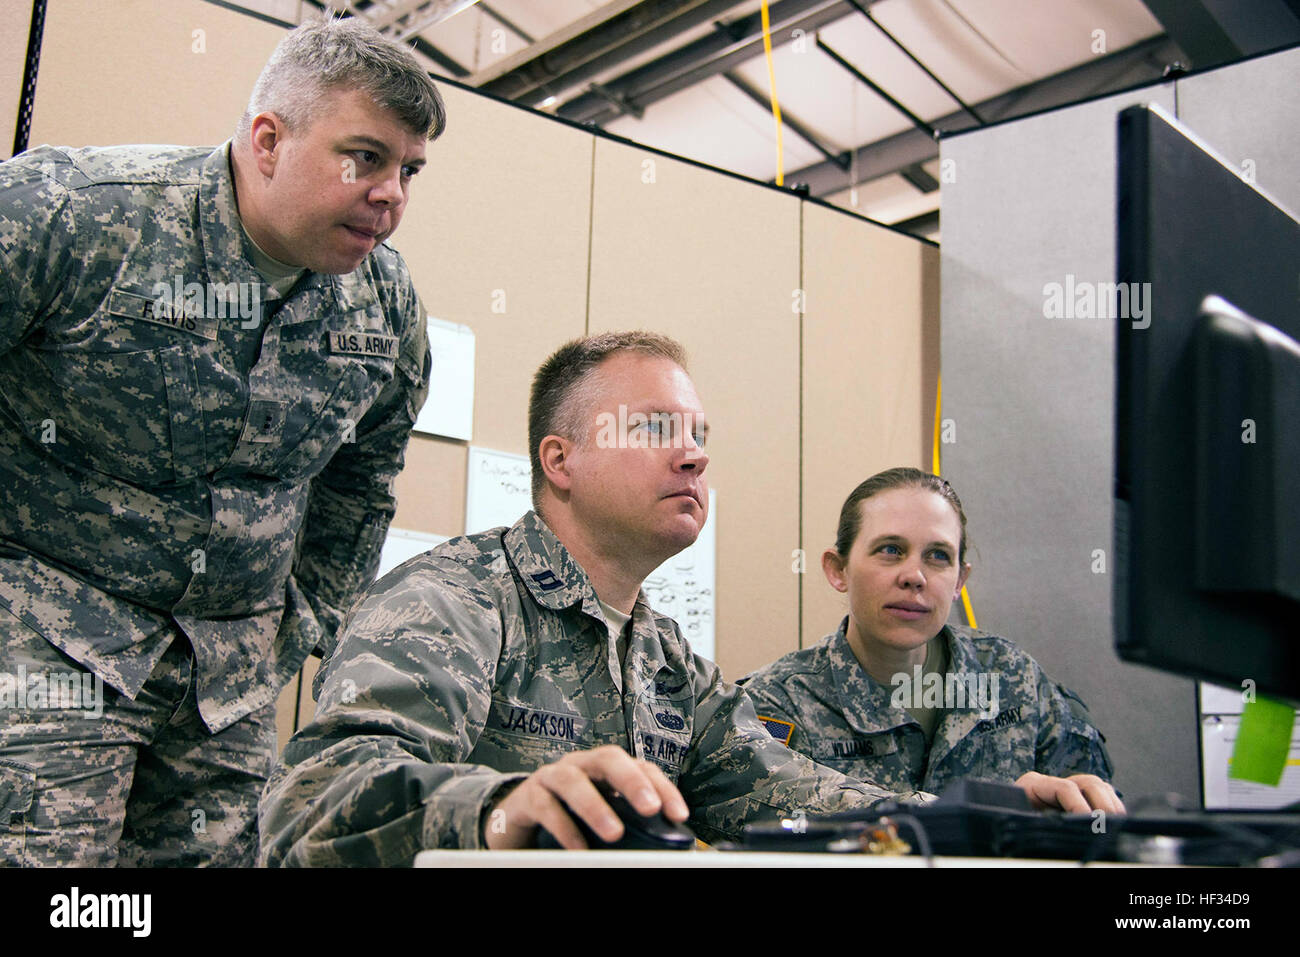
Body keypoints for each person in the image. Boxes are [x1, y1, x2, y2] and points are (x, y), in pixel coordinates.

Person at [0, 16, 442, 866]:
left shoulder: (384, 308)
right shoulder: (75, 216)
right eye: (366, 157)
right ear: (268, 139)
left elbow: (362, 482)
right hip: (48, 645)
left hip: (224, 682)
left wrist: (297, 626)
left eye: (409, 170)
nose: (392, 194)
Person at [259, 332, 918, 865]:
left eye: (699, 436)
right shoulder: (454, 600)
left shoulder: (668, 660)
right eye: (658, 429)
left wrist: (965, 815)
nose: (694, 457)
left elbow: (783, 787)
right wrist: (503, 808)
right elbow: (312, 803)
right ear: (560, 460)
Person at [740, 467, 1123, 814]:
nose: (914, 576)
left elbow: (1095, 813)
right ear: (838, 569)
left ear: (959, 581)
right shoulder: (779, 703)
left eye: (938, 556)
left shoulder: (1011, 678)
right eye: (890, 550)